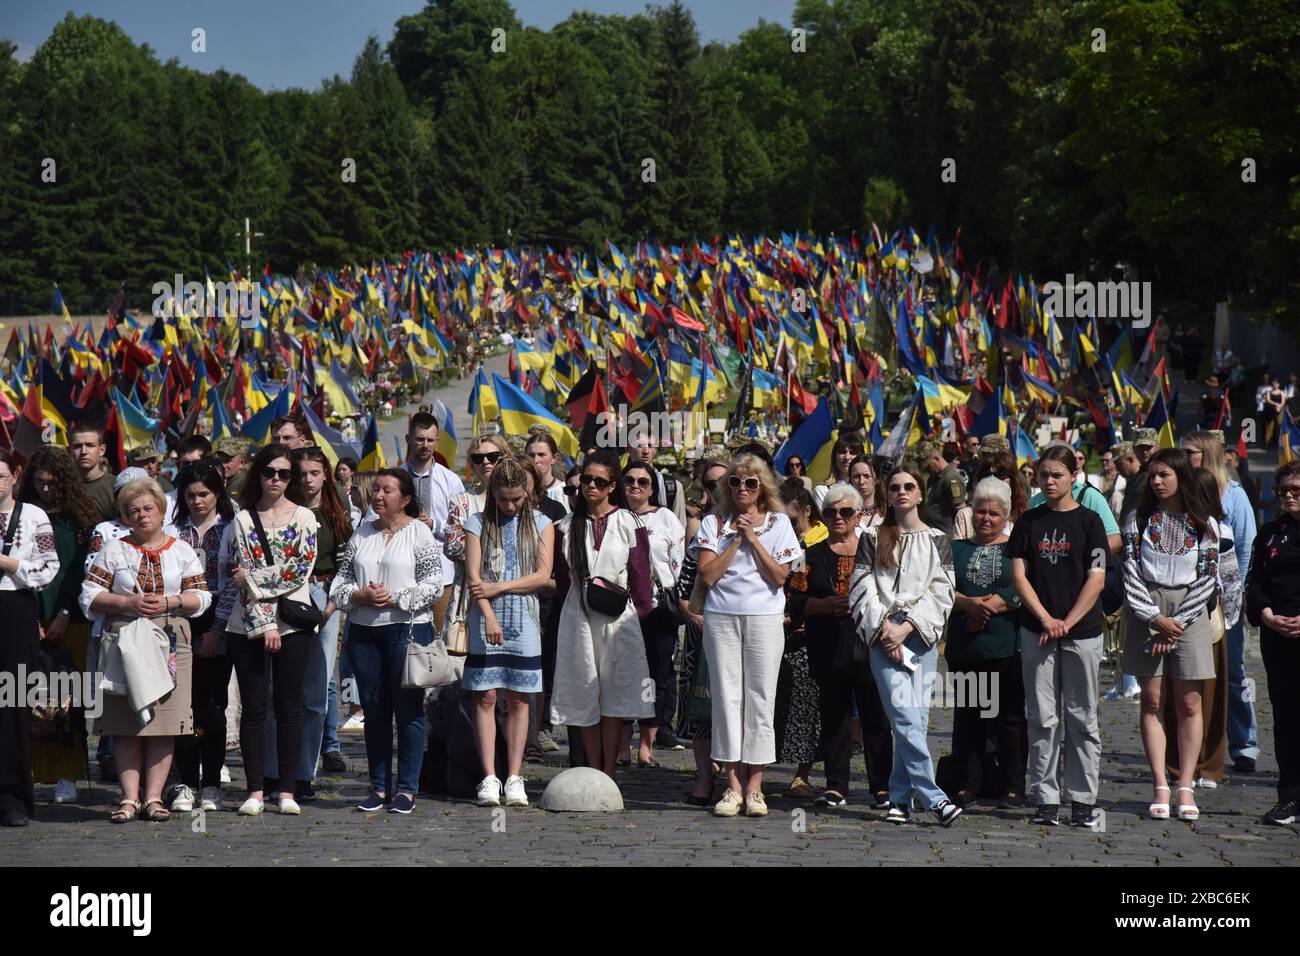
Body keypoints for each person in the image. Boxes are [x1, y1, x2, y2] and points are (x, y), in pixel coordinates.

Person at [80, 477, 210, 823]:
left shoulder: (180, 549)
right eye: (133, 510)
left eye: (148, 508)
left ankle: (154, 798)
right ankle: (128, 798)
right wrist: (128, 601)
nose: (141, 515)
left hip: (170, 639)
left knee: (164, 723)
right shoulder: (113, 549)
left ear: (160, 510)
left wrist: (170, 600)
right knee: (126, 722)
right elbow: (88, 595)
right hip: (125, 641)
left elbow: (202, 596)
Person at [848, 463, 961, 826]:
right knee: (903, 714)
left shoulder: (939, 540)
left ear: (920, 493)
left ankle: (899, 799)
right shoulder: (871, 537)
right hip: (882, 636)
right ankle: (935, 798)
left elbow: (943, 591)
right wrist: (886, 629)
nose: (901, 492)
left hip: (920, 637)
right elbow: (861, 589)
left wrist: (909, 625)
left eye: (908, 486)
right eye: (895, 486)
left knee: (915, 721)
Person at [214, 443, 319, 816]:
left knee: (289, 707)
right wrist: (265, 621)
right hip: (248, 625)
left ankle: (287, 789)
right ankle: (255, 788)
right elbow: (239, 576)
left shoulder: (305, 517)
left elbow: (298, 570)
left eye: (284, 473)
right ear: (258, 474)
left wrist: (255, 581)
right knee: (254, 708)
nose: (276, 479)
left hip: (295, 623)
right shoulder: (242, 520)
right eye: (270, 472)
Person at [331, 468, 443, 814]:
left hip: (406, 631)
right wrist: (360, 594)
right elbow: (340, 582)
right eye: (376, 490)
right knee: (375, 711)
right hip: (364, 632)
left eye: (387, 491)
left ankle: (407, 788)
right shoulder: (361, 533)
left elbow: (434, 583)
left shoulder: (420, 533)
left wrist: (396, 597)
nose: (378, 496)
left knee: (408, 711)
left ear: (405, 498)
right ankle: (379, 787)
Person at [696, 454, 802, 817]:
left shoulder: (780, 524)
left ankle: (756, 786)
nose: (742, 488)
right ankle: (733, 785)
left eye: (751, 483)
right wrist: (735, 542)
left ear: (763, 488)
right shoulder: (713, 523)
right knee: (726, 698)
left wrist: (753, 538)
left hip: (764, 617)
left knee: (760, 697)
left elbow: (779, 576)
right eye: (736, 482)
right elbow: (708, 576)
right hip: (722, 616)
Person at [1009, 445, 1109, 829]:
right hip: (1038, 632)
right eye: (1043, 474)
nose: (1049, 481)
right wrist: (1046, 618)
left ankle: (1082, 799)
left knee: (1082, 717)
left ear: (1072, 477)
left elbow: (1096, 578)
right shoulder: (1028, 522)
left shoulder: (1090, 522)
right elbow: (1019, 576)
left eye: (1057, 475)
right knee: (1042, 718)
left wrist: (1066, 620)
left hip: (1081, 633)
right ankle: (1046, 797)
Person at [1121, 449, 1222, 821]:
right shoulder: (1139, 519)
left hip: (1189, 611)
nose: (1157, 481)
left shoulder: (1204, 524)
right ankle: (1160, 782)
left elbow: (1207, 576)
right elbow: (1129, 570)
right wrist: (1153, 617)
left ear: (1181, 475)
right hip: (1146, 604)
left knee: (1189, 702)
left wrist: (1175, 622)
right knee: (1151, 699)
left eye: (1164, 474)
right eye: (1152, 475)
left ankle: (1186, 784)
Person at [786, 483, 892, 809]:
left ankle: (881, 786)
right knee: (835, 715)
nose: (838, 518)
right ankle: (836, 785)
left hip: (869, 643)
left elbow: (892, 593)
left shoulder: (875, 550)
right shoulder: (809, 554)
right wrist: (825, 605)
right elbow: (795, 601)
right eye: (831, 512)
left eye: (846, 512)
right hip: (828, 643)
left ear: (858, 515)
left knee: (875, 716)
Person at [550, 449, 654, 778]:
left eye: (599, 481)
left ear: (612, 486)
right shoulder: (565, 526)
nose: (590, 486)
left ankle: (608, 772)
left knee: (614, 697)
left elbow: (640, 579)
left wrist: (636, 618)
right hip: (578, 618)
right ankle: (592, 770)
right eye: (586, 480)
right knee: (584, 692)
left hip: (617, 619)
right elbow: (564, 579)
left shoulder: (628, 523)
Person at [464, 458, 554, 807]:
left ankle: (514, 776)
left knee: (519, 697)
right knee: (485, 696)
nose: (511, 505)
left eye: (517, 498)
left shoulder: (542, 523)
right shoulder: (477, 523)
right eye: (504, 499)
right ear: (493, 495)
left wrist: (499, 587)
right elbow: (474, 578)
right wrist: (488, 615)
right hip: (486, 617)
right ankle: (489, 776)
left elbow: (542, 574)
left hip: (525, 617)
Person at [267, 446, 353, 800]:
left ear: (325, 476)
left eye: (314, 473)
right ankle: (273, 771)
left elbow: (347, 560)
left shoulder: (336, 511)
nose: (307, 480)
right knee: (278, 688)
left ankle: (304, 772)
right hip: (284, 596)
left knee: (316, 689)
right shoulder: (281, 511)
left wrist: (332, 604)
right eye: (301, 474)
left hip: (322, 594)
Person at [19, 447, 99, 807]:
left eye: (52, 483)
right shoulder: (22, 518)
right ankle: (29, 770)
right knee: (23, 693)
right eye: (40, 483)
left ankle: (68, 773)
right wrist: (34, 618)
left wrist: (63, 613)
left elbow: (81, 570)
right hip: (27, 613)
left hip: (72, 616)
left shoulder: (80, 520)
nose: (46, 489)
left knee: (70, 697)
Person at [947, 478, 1027, 808]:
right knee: (969, 718)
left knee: (1009, 718)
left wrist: (991, 605)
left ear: (1006, 515)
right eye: (980, 511)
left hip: (1007, 645)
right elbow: (940, 586)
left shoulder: (1017, 548)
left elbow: (1026, 586)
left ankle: (1013, 785)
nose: (986, 518)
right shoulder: (956, 549)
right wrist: (968, 604)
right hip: (969, 647)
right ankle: (968, 784)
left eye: (994, 513)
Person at [1181, 431, 1258, 773]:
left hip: (1225, 600)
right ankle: (1195, 747)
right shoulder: (1180, 490)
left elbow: (1245, 547)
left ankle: (1245, 744)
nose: (1184, 457)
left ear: (1207, 455)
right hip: (1185, 600)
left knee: (1233, 673)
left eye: (1191, 452)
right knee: (1190, 677)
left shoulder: (1235, 496)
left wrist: (1237, 595)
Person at [167, 459, 236, 812]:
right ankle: (186, 780)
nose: (197, 501)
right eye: (190, 495)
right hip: (179, 621)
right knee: (182, 705)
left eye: (204, 494)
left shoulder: (231, 528)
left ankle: (210, 781)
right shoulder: (173, 531)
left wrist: (217, 630)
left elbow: (236, 584)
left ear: (217, 493)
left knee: (211, 706)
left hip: (217, 621)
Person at [0, 451, 61, 826]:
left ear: (15, 476)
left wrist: (9, 564)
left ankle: (13, 795)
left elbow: (48, 565)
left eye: (0, 475)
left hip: (15, 607)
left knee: (12, 700)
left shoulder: (33, 515)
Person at [1245, 461, 1300, 825]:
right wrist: (1265, 614)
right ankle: (1290, 795)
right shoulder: (1269, 533)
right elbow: (1256, 580)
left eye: (1296, 490)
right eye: (1283, 491)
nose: (1290, 496)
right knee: (1286, 715)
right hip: (1277, 634)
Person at [623, 461, 686, 764]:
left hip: (659, 608)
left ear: (652, 488)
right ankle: (623, 743)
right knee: (623, 675)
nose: (635, 486)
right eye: (630, 481)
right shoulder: (617, 517)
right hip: (623, 609)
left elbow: (678, 560)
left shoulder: (666, 518)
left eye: (643, 482)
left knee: (656, 675)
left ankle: (646, 743)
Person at [675, 456, 729, 804]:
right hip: (701, 627)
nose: (719, 490)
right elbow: (683, 587)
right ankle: (704, 776)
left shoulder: (755, 525)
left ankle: (736, 777)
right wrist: (693, 616)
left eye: (726, 482)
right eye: (711, 484)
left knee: (735, 705)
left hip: (739, 627)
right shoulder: (703, 529)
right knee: (701, 707)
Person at [775, 481, 824, 796]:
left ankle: (802, 773)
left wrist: (802, 615)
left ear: (807, 512)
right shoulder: (779, 539)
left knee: (806, 704)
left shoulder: (816, 544)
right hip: (772, 628)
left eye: (793, 521)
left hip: (805, 631)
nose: (789, 527)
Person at [402, 412, 466, 635]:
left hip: (442, 575)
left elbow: (462, 530)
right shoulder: (393, 479)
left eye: (430, 440)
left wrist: (434, 525)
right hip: (402, 573)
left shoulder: (451, 481)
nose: (425, 445)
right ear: (408, 439)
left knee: (438, 641)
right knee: (404, 640)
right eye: (419, 439)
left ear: (437, 441)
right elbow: (374, 519)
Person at [628, 433, 687, 527]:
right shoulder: (615, 483)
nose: (646, 451)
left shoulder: (673, 487)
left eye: (651, 446)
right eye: (640, 445)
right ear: (628, 448)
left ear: (655, 450)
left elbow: (680, 531)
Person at [69, 422, 117, 522]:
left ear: (102, 450)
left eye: (90, 445)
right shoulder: (62, 487)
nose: (83, 451)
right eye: (77, 446)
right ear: (69, 450)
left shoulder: (116, 487)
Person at [919, 441, 967, 537]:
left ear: (936, 459)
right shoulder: (933, 477)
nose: (926, 470)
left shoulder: (951, 478)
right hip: (933, 533)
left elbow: (960, 511)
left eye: (928, 466)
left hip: (946, 536)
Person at [814, 435, 864, 511]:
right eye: (843, 452)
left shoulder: (866, 489)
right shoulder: (822, 490)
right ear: (835, 456)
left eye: (852, 453)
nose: (847, 457)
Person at [525, 429, 569, 512]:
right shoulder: (520, 491)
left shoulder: (565, 492)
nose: (536, 460)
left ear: (554, 458)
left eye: (541, 455)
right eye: (531, 455)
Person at [848, 454, 886, 530]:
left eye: (866, 476)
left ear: (876, 479)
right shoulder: (843, 514)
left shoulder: (887, 514)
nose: (861, 482)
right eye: (856, 476)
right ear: (851, 481)